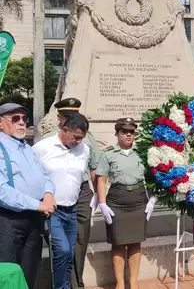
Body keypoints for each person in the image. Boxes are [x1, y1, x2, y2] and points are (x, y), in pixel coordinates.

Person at [41, 98, 100, 289]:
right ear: (61, 121)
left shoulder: (86, 141)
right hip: (54, 196)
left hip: (79, 194)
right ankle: (62, 284)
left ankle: (75, 281)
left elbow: (94, 168)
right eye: (68, 116)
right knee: (62, 247)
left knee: (78, 241)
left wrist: (99, 198)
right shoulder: (46, 141)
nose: (78, 141)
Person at [0, 103, 56, 289]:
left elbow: (44, 176)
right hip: (9, 221)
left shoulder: (26, 148)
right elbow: (2, 192)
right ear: (1, 123)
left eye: (24, 119)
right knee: (9, 276)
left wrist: (48, 195)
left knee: (30, 273)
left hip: (34, 220)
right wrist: (38, 204)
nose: (22, 123)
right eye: (15, 119)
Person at [95, 118, 156, 289]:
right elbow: (101, 180)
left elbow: (152, 178)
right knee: (118, 242)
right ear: (117, 133)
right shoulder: (108, 154)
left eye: (131, 132)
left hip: (138, 200)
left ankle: (134, 282)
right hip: (117, 200)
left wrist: (152, 200)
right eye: (124, 132)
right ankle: (120, 283)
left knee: (136, 242)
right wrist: (102, 204)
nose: (128, 135)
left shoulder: (142, 153)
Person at [33, 114, 90, 289]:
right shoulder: (42, 148)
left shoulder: (84, 149)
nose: (78, 142)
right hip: (52, 210)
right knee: (62, 250)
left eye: (81, 138)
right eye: (76, 137)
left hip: (72, 209)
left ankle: (64, 286)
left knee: (69, 253)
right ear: (64, 130)